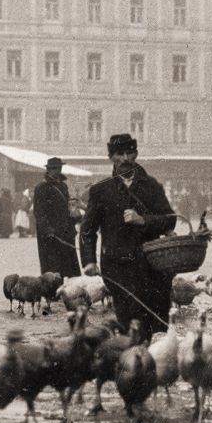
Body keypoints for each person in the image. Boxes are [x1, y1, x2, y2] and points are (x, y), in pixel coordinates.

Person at [79, 133, 178, 331]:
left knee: (151, 322)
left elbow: (170, 220)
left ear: (136, 154)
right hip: (116, 267)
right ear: (111, 157)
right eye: (119, 154)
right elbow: (87, 230)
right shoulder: (100, 190)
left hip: (149, 266)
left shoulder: (152, 186)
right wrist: (89, 260)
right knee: (126, 319)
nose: (124, 158)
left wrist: (143, 220)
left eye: (128, 153)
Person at [34, 157, 82, 278]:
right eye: (54, 168)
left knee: (69, 265)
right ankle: (54, 288)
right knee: (53, 265)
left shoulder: (63, 186)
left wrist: (75, 217)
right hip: (51, 233)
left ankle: (70, 287)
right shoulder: (41, 188)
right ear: (48, 170)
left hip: (66, 231)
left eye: (59, 168)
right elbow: (39, 212)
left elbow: (67, 208)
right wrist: (47, 229)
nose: (57, 170)